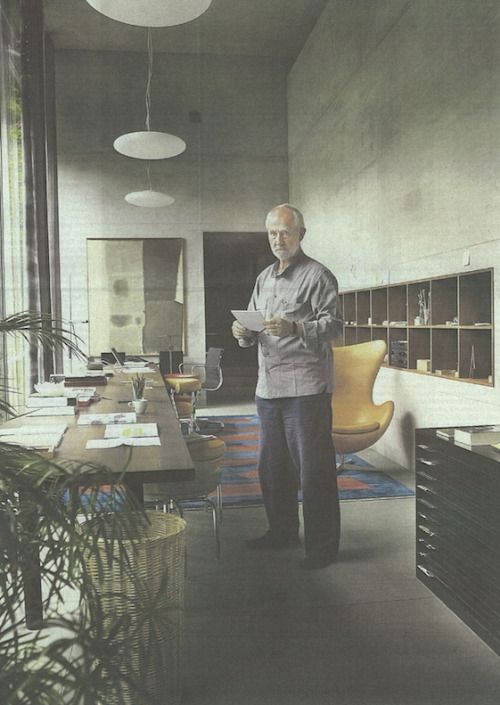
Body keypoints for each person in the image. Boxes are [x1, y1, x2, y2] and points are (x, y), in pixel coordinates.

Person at [231, 203, 342, 569]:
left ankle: (322, 548)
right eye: (272, 233)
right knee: (272, 468)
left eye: (285, 232)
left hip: (306, 389)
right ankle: (281, 532)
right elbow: (252, 329)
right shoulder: (263, 278)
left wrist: (296, 327)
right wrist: (242, 332)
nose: (278, 239)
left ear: (301, 235)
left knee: (314, 471)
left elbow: (335, 326)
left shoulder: (318, 276)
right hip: (268, 387)